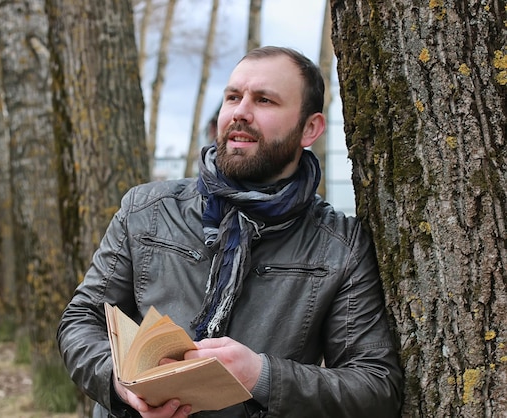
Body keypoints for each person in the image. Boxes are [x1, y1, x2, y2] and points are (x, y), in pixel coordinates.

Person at [57, 46, 403, 417]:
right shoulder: (147, 210)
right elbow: (82, 321)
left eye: (265, 100)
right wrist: (121, 384)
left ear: (310, 128)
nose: (240, 112)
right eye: (233, 97)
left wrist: (263, 376)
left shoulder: (339, 246)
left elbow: (375, 385)